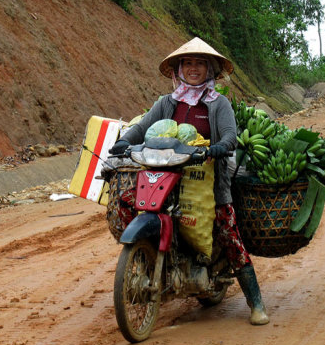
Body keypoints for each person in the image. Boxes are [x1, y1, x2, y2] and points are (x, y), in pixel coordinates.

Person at [109, 37, 269, 325]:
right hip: (165, 178)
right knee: (125, 202)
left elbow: (230, 135)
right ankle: (145, 260)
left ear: (210, 70)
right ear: (178, 69)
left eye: (199, 63)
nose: (193, 68)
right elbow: (142, 128)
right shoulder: (167, 103)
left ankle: (256, 302)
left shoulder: (218, 104)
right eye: (188, 63)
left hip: (207, 182)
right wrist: (123, 142)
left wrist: (218, 147)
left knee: (227, 232)